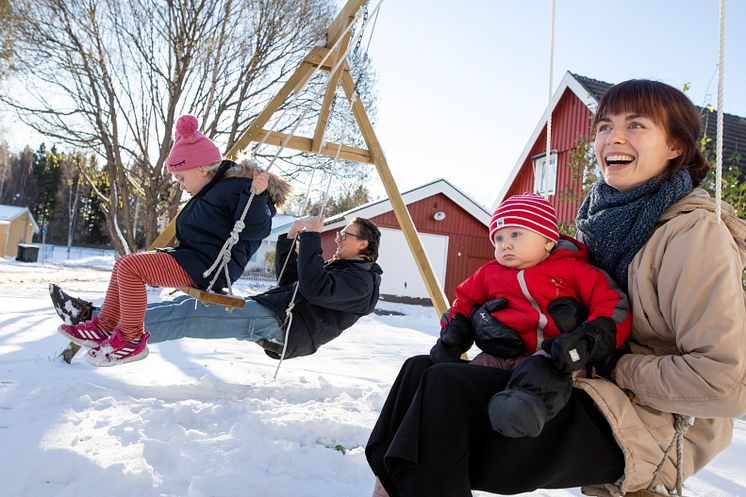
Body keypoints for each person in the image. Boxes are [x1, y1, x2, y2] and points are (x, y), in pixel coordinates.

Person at [365, 79, 746, 497]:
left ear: (675, 146)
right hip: (568, 383)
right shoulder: (601, 225)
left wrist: (605, 361)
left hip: (646, 421)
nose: (613, 137)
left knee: (444, 393)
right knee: (421, 372)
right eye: (604, 126)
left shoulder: (694, 236)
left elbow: (724, 379)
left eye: (636, 125)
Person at [55, 114, 291, 366]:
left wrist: (257, 195)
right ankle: (104, 327)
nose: (180, 185)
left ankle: (131, 340)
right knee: (123, 263)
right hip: (191, 258)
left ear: (202, 169)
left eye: (181, 178)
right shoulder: (212, 189)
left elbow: (256, 229)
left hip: (209, 266)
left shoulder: (241, 188)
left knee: (131, 269)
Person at [430, 192, 631, 438]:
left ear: (548, 241)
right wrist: (455, 332)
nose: (506, 244)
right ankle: (458, 420)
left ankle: (524, 412)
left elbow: (612, 304)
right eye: (499, 238)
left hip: (554, 355)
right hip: (500, 353)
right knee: (473, 373)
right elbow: (465, 301)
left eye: (516, 234)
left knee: (546, 373)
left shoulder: (573, 270)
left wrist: (587, 339)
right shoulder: (488, 274)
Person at [51, 215, 383, 361]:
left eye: (345, 235)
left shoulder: (362, 282)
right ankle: (96, 318)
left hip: (283, 327)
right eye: (339, 234)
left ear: (363, 243)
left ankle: (107, 326)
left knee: (190, 316)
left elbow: (313, 290)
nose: (338, 238)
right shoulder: (348, 270)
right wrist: (290, 241)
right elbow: (291, 282)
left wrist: (312, 237)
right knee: (184, 308)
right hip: (274, 314)